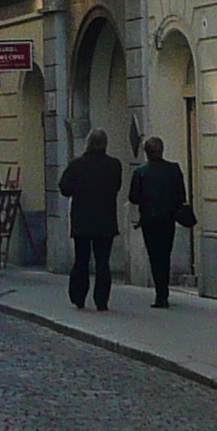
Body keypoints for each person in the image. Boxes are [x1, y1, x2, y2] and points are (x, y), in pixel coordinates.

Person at [59, 130, 125, 311]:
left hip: (82, 220)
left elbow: (64, 188)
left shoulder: (77, 165)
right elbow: (117, 186)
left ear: (87, 143)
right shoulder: (114, 165)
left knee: (82, 259)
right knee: (103, 262)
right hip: (106, 220)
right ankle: (101, 300)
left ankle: (78, 296)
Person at [128, 136, 189, 309]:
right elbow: (181, 195)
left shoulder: (140, 172)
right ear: (161, 150)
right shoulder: (173, 169)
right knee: (165, 254)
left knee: (154, 256)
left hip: (149, 219)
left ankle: (161, 294)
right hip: (168, 218)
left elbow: (133, 197)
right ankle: (164, 292)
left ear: (147, 153)